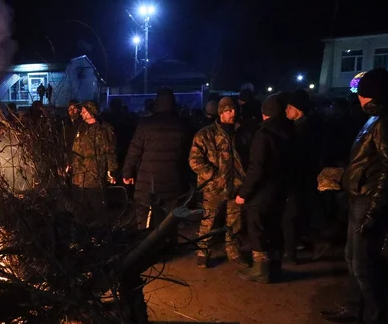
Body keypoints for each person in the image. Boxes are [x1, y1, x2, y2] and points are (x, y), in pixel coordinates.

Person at [321, 68, 388, 324]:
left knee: (365, 266)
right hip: (359, 198)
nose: (357, 97)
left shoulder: (386, 121)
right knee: (352, 258)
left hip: (368, 202)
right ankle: (352, 309)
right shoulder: (374, 118)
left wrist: (375, 211)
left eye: (362, 92)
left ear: (371, 94)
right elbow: (368, 162)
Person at [236, 94, 296, 283]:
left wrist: (243, 193)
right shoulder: (290, 132)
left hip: (262, 192)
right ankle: (275, 268)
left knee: (258, 229)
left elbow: (257, 168)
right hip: (281, 190)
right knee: (274, 229)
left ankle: (261, 270)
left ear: (265, 114)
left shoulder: (263, 135)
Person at [123, 87, 193, 230]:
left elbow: (134, 151)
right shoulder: (181, 124)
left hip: (148, 181)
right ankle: (168, 246)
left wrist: (127, 173)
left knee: (145, 219)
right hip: (173, 180)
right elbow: (187, 154)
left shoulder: (146, 124)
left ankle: (145, 246)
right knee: (169, 219)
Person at [189, 97, 247, 267]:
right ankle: (203, 251)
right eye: (229, 110)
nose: (233, 113)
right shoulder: (206, 134)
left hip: (236, 186)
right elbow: (194, 160)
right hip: (213, 188)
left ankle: (234, 251)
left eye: (235, 110)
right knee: (209, 221)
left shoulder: (241, 133)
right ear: (221, 112)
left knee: (235, 222)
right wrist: (214, 176)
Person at [282, 89, 323, 263]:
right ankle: (314, 241)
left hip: (301, 177)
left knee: (292, 214)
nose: (286, 110)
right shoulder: (303, 126)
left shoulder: (303, 129)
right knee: (301, 212)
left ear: (298, 109)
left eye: (289, 107)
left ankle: (315, 242)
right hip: (303, 177)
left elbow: (299, 156)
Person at [69, 101, 117, 225]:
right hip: (79, 176)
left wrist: (111, 170)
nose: (81, 114)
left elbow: (110, 151)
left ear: (92, 112)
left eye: (84, 111)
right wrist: (69, 163)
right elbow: (74, 148)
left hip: (95, 174)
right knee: (80, 208)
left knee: (98, 207)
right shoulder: (80, 127)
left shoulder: (105, 129)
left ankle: (101, 232)